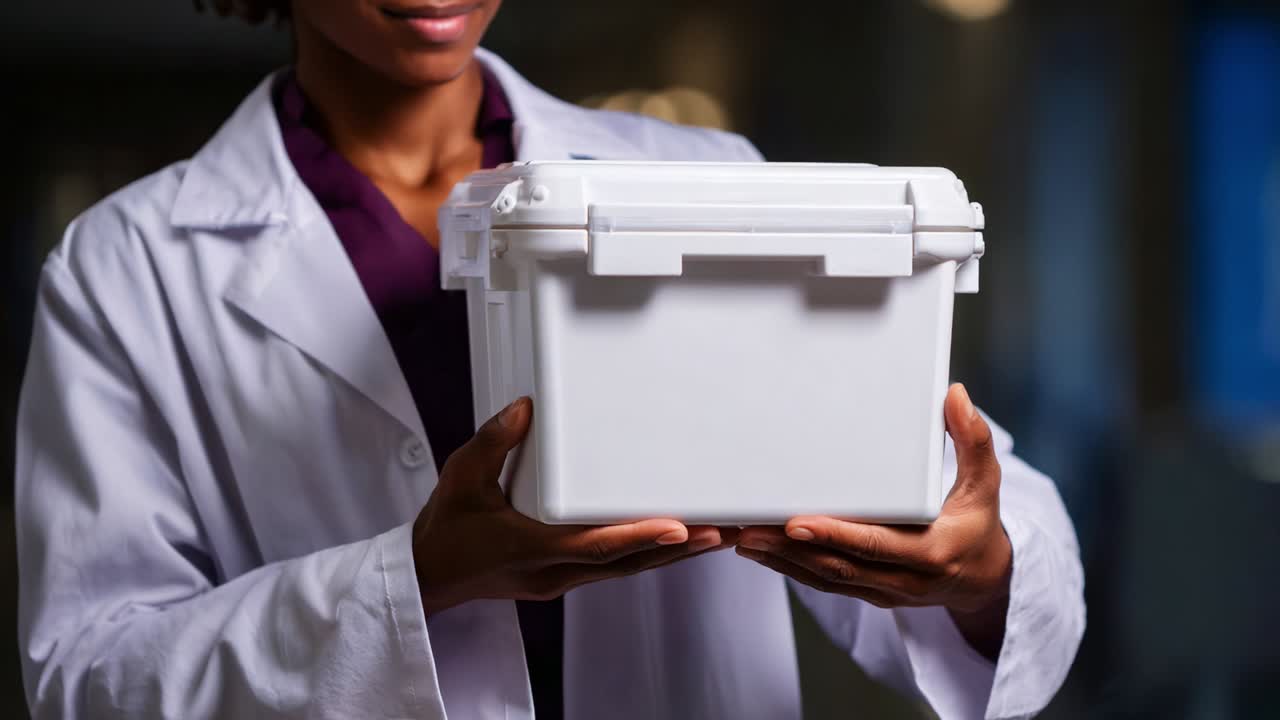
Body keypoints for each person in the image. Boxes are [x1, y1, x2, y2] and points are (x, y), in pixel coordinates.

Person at [14, 1, 1084, 718]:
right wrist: (417, 579)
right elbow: (89, 674)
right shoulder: (128, 268)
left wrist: (980, 568)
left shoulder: (707, 178)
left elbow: (975, 516)